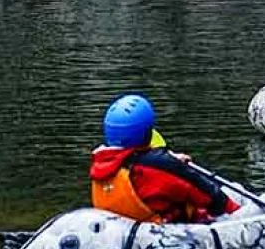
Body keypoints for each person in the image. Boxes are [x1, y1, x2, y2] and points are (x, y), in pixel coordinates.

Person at [89, 94, 240, 224]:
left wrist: (170, 161)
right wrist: (236, 213)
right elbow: (210, 196)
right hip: (165, 236)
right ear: (147, 133)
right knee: (236, 192)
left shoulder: (102, 164)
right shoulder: (160, 165)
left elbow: (137, 166)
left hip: (123, 237)